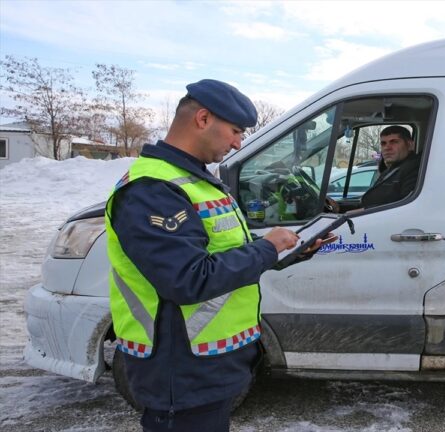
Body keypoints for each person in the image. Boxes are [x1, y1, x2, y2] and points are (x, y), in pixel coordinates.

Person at [106, 79, 322, 431]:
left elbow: (223, 252)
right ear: (203, 119)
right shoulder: (153, 190)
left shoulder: (193, 180)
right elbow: (188, 279)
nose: (238, 143)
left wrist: (286, 250)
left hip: (209, 365)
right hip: (181, 371)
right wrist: (266, 248)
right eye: (235, 131)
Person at [327, 125, 420, 212]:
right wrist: (339, 208)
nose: (387, 147)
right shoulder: (392, 169)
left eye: (394, 142)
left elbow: (405, 206)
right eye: (383, 143)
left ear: (410, 145)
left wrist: (363, 211)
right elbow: (373, 202)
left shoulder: (414, 168)